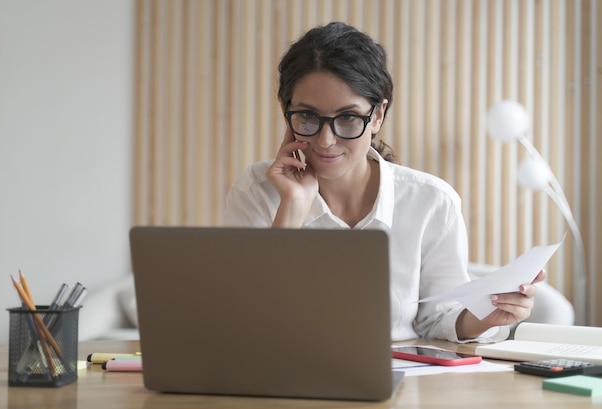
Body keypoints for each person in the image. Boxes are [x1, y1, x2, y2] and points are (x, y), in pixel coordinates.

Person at [223, 22, 545, 342]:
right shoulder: (255, 192)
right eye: (307, 117)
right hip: (286, 382)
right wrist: (291, 208)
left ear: (377, 117)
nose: (325, 141)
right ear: (286, 111)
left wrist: (482, 319)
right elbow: (242, 320)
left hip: (402, 380)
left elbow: (439, 319)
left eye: (348, 118)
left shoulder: (432, 201)